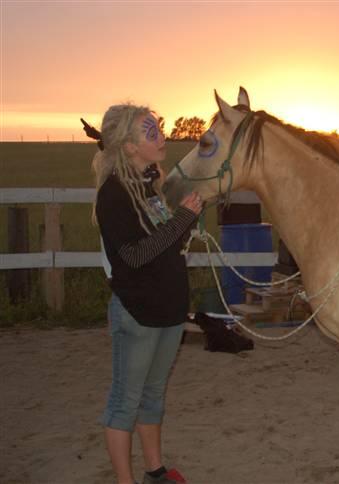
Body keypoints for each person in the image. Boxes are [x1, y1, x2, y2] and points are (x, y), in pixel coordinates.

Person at [85, 104, 202, 484]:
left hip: (168, 310)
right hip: (137, 313)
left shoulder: (147, 188)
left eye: (158, 128)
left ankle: (155, 471)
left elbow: (165, 245)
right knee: (125, 403)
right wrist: (182, 219)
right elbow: (135, 255)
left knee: (153, 396)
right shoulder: (114, 194)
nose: (160, 136)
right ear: (129, 146)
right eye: (149, 132)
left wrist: (186, 220)